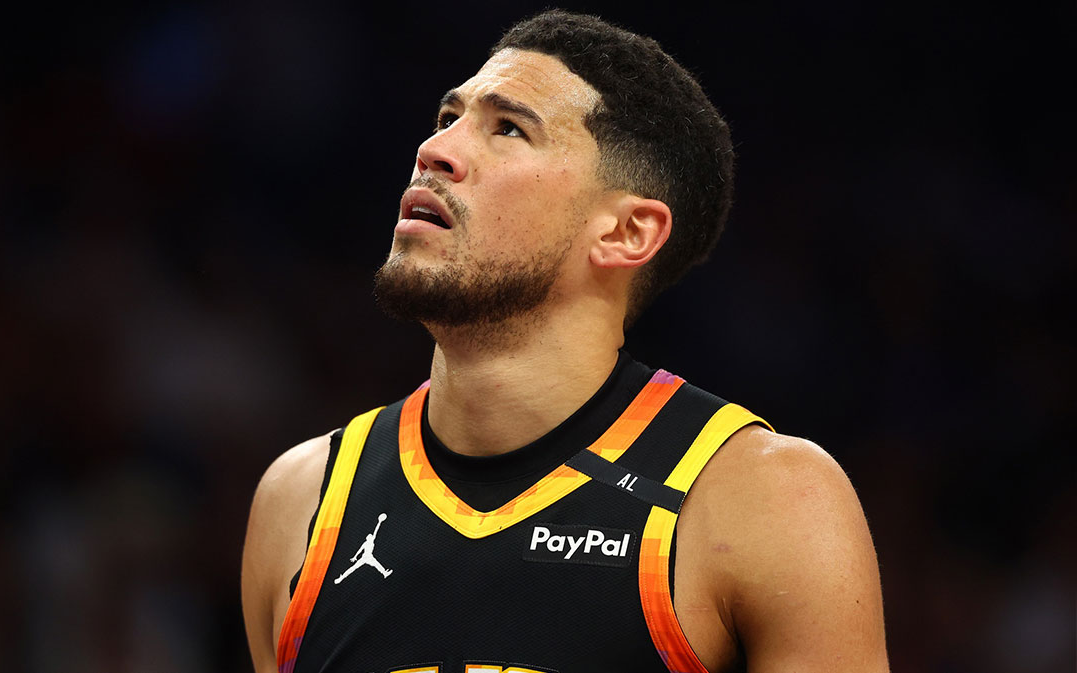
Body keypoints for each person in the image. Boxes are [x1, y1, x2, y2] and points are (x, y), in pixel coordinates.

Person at [242, 9, 887, 673]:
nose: (436, 151)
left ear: (626, 233)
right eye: (447, 118)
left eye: (509, 128)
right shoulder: (300, 499)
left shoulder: (763, 499)